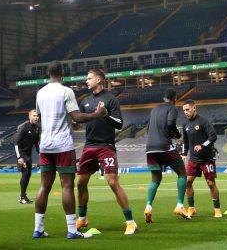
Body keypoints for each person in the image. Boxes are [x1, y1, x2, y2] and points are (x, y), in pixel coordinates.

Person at [32, 61, 107, 240]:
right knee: (67, 186)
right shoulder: (66, 91)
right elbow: (78, 117)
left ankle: (38, 229)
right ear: (62, 74)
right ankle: (72, 230)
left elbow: (41, 118)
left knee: (44, 186)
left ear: (49, 74)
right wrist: (97, 114)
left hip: (45, 145)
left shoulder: (40, 92)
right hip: (62, 145)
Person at [75, 69, 137, 235]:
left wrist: (106, 115)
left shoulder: (111, 100)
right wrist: (74, 123)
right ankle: (82, 218)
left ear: (99, 79)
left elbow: (119, 124)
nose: (86, 81)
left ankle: (131, 222)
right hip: (89, 146)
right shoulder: (85, 101)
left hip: (106, 146)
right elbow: (79, 122)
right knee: (80, 183)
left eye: (89, 78)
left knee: (112, 182)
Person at [144, 88, 192, 222]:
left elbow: (148, 128)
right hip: (164, 146)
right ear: (175, 98)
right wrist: (176, 134)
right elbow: (170, 123)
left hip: (150, 148)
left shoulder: (154, 110)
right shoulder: (172, 108)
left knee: (155, 179)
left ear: (163, 98)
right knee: (182, 173)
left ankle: (148, 207)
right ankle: (180, 206)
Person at [181, 100, 222, 218]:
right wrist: (184, 153)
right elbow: (185, 141)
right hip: (193, 159)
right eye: (184, 110)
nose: (186, 112)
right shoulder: (185, 124)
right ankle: (191, 208)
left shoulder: (203, 122)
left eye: (187, 109)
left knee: (210, 183)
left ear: (194, 108)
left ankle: (217, 210)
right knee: (187, 182)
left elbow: (213, 136)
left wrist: (202, 146)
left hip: (207, 159)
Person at [15, 109, 40, 204]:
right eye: (34, 115)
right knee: (25, 174)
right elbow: (16, 143)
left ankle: (23, 195)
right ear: (29, 117)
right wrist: (19, 157)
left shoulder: (37, 128)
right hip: (22, 154)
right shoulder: (24, 127)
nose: (36, 117)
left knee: (28, 174)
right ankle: (22, 197)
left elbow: (36, 144)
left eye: (37, 116)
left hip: (28, 154)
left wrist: (40, 154)